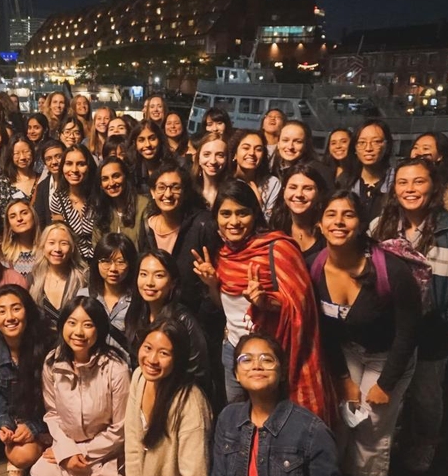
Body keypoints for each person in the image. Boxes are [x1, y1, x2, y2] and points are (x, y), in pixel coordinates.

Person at [371, 158, 448, 473]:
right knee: (390, 390)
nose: (410, 189)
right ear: (394, 189)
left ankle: (425, 443)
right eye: (403, 182)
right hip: (388, 332)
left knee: (425, 396)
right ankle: (390, 442)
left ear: (434, 187)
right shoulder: (379, 226)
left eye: (418, 182)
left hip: (431, 333)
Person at [313, 190, 421, 476]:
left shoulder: (391, 271)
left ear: (361, 223)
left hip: (389, 353)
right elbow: (325, 330)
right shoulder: (316, 267)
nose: (339, 222)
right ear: (319, 223)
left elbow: (408, 332)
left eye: (348, 214)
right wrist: (344, 379)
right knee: (342, 422)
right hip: (348, 350)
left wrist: (386, 383)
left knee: (373, 428)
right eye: (331, 214)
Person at [192, 180, 330, 421]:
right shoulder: (222, 253)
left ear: (255, 214)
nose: (233, 222)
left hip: (271, 355)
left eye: (242, 213)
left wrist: (265, 302)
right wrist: (213, 284)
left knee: (275, 421)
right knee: (239, 419)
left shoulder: (277, 248)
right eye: (225, 214)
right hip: (233, 350)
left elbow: (302, 305)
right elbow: (224, 306)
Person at [205, 334, 353, 476]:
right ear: (237, 374)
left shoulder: (310, 430)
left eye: (267, 359)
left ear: (282, 372)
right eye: (246, 359)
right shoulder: (228, 420)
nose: (256, 365)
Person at [24, 296, 130, 476]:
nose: (78, 332)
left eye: (88, 324)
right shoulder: (53, 362)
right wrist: (66, 452)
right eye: (71, 323)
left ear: (100, 329)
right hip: (68, 449)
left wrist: (81, 454)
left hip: (105, 457)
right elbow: (52, 414)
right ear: (62, 326)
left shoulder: (116, 368)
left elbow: (121, 427)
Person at [124, 321, 212, 476]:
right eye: (147, 348)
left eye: (164, 353)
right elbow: (133, 444)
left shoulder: (190, 403)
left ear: (178, 359)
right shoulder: (139, 378)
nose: (152, 359)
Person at [0, 285, 55, 476]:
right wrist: (5, 423)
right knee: (20, 456)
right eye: (1, 311)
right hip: (18, 416)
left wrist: (36, 426)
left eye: (16, 308)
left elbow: (62, 396)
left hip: (53, 417)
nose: (9, 317)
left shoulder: (49, 344)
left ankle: (49, 443)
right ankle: (41, 448)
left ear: (27, 311)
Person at [138, 159, 218, 315]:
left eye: (175, 188)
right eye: (161, 188)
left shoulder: (203, 224)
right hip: (159, 312)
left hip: (197, 315)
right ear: (153, 192)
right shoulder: (148, 225)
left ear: (185, 192)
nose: (168, 194)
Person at [125, 249, 212, 391]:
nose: (149, 282)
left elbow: (199, 372)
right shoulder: (136, 313)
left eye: (158, 275)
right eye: (143, 274)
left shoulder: (183, 320)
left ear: (172, 282)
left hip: (179, 395)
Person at [77, 233, 138, 357]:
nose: (113, 268)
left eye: (121, 262)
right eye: (106, 262)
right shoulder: (84, 297)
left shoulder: (138, 300)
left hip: (125, 369)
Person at [28, 223, 88, 328]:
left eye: (64, 243)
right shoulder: (32, 279)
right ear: (43, 246)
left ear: (72, 248)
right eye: (51, 243)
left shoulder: (84, 278)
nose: (57, 249)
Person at [270, 162, 330, 263]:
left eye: (307, 188)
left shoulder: (328, 231)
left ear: (319, 194)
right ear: (284, 192)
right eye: (293, 187)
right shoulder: (274, 229)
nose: (299, 194)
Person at [50, 145, 99, 262]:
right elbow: (60, 237)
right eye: (69, 163)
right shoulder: (58, 200)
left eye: (81, 164)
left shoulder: (99, 197)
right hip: (73, 262)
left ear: (89, 167)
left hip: (100, 262)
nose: (74, 170)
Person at [342, 120, 396, 223]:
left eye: (376, 142)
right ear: (354, 147)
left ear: (387, 146)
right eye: (361, 143)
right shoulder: (344, 182)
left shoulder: (397, 182)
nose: (368, 148)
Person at [227, 130, 281, 219]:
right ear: (235, 154)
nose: (252, 153)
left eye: (258, 149)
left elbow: (271, 222)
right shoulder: (223, 181)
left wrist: (258, 203)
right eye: (246, 148)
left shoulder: (272, 183)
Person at [93, 156, 147, 245]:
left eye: (116, 176)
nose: (111, 183)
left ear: (126, 177)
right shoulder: (101, 210)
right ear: (101, 185)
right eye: (105, 179)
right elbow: (98, 248)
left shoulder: (143, 205)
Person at [269, 120, 334, 186]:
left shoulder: (320, 171)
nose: (290, 146)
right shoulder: (271, 168)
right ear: (278, 143)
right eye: (285, 140)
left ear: (306, 145)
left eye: (298, 141)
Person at [410, 132, 448, 213]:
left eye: (425, 148)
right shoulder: (396, 181)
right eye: (415, 147)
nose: (417, 153)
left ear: (439, 156)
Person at [0, 134, 39, 223]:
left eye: (26, 151)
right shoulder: (4, 183)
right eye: (17, 153)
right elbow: (4, 215)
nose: (22, 157)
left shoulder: (42, 179)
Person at [126, 121, 170, 193]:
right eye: (141, 140)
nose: (147, 145)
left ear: (160, 140)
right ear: (135, 143)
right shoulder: (131, 171)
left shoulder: (175, 165)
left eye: (152, 139)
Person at [1, 198, 40, 280]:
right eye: (13, 216)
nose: (19, 219)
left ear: (33, 216)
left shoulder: (47, 251)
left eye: (24, 213)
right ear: (9, 225)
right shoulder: (3, 256)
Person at [33, 139, 65, 227]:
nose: (54, 162)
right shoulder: (42, 187)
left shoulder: (74, 181)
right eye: (49, 159)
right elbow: (40, 220)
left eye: (58, 156)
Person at [191, 133, 228, 209]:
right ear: (198, 158)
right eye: (207, 154)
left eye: (220, 155)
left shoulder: (232, 192)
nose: (213, 161)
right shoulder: (189, 191)